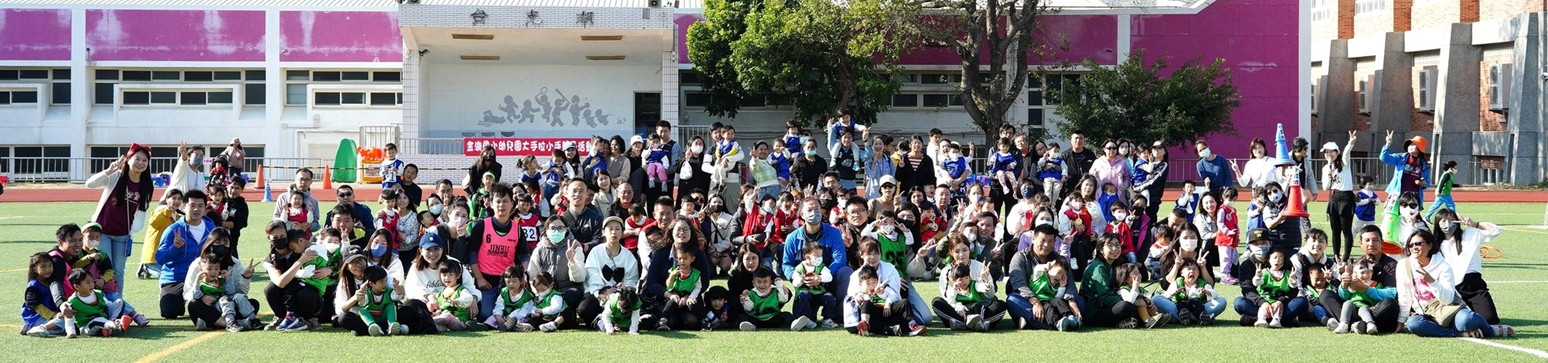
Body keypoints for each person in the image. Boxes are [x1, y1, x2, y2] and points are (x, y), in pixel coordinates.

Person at [1397, 230, 1514, 338]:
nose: (1414, 248)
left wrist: (1431, 281)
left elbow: (1447, 299)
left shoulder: (1443, 266)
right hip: (1427, 315)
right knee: (1413, 324)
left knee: (1467, 319)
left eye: (1418, 244)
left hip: (1450, 310)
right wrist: (1401, 321)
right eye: (1411, 245)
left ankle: (1489, 330)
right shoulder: (1404, 265)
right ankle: (1459, 334)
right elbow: (1404, 295)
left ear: (1430, 245)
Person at [87, 143, 155, 303]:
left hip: (123, 235)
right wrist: (108, 171)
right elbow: (90, 184)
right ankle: (100, 303)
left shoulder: (146, 184)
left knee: (118, 271)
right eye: (137, 159)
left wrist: (132, 231)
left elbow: (141, 211)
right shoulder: (116, 176)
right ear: (129, 159)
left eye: (144, 160)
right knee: (104, 269)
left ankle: (117, 303)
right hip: (102, 232)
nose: (140, 163)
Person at [1432, 210, 1503, 324]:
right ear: (1437, 224)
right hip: (1450, 288)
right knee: (1445, 320)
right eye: (1443, 220)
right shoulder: (1434, 244)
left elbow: (1496, 230)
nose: (1448, 223)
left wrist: (1475, 224)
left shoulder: (1470, 234)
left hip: (1473, 285)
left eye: (1451, 219)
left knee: (1490, 319)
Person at [155, 190, 215, 320]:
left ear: (205, 208)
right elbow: (160, 258)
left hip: (203, 277)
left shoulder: (211, 229)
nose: (196, 209)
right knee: (170, 312)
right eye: (192, 205)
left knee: (214, 305)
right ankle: (173, 296)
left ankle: (195, 299)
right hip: (176, 277)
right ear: (183, 207)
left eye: (200, 206)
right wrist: (174, 248)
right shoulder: (173, 229)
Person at [574, 217, 641, 326]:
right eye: (610, 229)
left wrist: (621, 291)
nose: (614, 232)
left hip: (620, 295)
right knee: (584, 310)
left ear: (622, 232)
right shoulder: (595, 251)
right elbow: (592, 275)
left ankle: (613, 321)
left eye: (617, 229)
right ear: (603, 232)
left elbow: (631, 280)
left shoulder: (629, 256)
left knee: (629, 304)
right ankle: (599, 320)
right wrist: (601, 293)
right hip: (598, 293)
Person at [782, 197, 852, 297]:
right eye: (809, 210)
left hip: (828, 279)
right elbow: (787, 264)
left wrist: (821, 277)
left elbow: (840, 260)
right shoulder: (792, 238)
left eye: (817, 209)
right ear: (802, 214)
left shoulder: (834, 233)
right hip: (804, 283)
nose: (814, 213)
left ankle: (839, 311)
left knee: (846, 271)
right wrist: (798, 277)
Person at [64, 269, 140, 338]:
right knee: (97, 320)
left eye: (92, 281)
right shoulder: (72, 301)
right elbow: (69, 318)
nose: (91, 284)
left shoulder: (98, 293)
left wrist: (114, 308)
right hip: (87, 327)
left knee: (119, 302)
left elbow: (108, 305)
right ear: (77, 286)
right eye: (87, 282)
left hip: (105, 319)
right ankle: (117, 325)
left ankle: (109, 326)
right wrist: (71, 332)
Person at [845, 266, 914, 336]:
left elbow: (894, 295)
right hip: (874, 317)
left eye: (874, 282)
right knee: (867, 305)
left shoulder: (882, 289)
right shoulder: (860, 294)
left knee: (904, 302)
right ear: (860, 284)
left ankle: (911, 325)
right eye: (868, 283)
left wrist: (886, 302)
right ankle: (865, 324)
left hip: (887, 312)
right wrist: (864, 296)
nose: (871, 286)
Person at [937, 263, 1007, 332]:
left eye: (966, 278)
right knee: (937, 302)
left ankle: (966, 324)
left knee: (1000, 304)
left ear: (970, 277)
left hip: (978, 311)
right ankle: (974, 323)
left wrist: (986, 284)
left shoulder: (974, 284)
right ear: (954, 280)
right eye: (960, 279)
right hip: (964, 313)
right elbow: (951, 301)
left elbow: (981, 287)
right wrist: (959, 306)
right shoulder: (953, 290)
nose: (964, 281)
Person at [1321, 132, 1358, 261]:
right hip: (1333, 198)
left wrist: (1351, 142)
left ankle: (1346, 256)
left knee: (1346, 230)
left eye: (1331, 152)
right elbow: (1325, 187)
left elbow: (1347, 153)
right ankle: (1336, 256)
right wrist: (1329, 174)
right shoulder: (1326, 168)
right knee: (1335, 231)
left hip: (1346, 198)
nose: (1329, 154)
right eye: (1326, 152)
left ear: (1337, 152)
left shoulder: (1343, 163)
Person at [1332, 260, 1392, 334]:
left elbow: (1378, 297)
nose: (1365, 275)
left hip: (1367, 308)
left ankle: (1370, 324)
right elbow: (1345, 296)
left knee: (1363, 308)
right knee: (1347, 303)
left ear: (1372, 272)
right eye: (1362, 272)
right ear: (1356, 274)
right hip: (1353, 308)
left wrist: (1376, 305)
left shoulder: (1376, 284)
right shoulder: (1352, 283)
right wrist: (1344, 285)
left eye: (1368, 272)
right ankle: (1343, 324)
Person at [790, 242, 838, 329]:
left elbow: (829, 277)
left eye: (821, 255)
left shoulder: (821, 267)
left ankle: (827, 319)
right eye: (817, 255)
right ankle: (807, 319)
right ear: (807, 257)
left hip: (818, 293)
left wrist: (819, 278)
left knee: (829, 297)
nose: (820, 258)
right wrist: (801, 280)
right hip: (806, 294)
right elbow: (795, 282)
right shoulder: (799, 268)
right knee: (804, 295)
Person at [739, 268, 803, 331]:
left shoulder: (775, 291)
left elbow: (784, 299)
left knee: (786, 315)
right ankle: (749, 326)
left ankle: (794, 324)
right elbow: (749, 308)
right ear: (753, 283)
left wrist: (780, 286)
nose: (762, 285)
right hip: (757, 320)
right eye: (759, 282)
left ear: (770, 282)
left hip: (774, 318)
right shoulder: (751, 293)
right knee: (742, 316)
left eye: (765, 281)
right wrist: (746, 299)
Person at [1252, 248, 1298, 329]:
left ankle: (1276, 320)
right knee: (1261, 308)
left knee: (1299, 302)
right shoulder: (1264, 272)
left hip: (1279, 301)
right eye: (1275, 257)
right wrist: (1258, 276)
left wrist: (1293, 279)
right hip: (1265, 299)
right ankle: (1261, 319)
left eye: (1281, 258)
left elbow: (1293, 286)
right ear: (1269, 259)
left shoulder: (1287, 274)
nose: (1278, 260)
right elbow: (1257, 283)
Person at [1162, 259, 1217, 326]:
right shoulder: (1177, 283)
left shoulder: (1202, 283)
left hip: (1197, 304)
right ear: (1181, 273)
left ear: (1199, 273)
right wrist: (1174, 292)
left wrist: (1207, 292)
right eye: (1188, 269)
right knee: (1157, 299)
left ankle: (1201, 316)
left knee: (1221, 301)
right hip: (1180, 305)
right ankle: (1188, 317)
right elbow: (1166, 296)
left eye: (1194, 269)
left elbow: (1215, 294)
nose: (1192, 271)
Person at [429, 259, 477, 332]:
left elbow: (468, 298)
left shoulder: (461, 290)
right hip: (446, 323)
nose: (447, 278)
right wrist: (436, 313)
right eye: (444, 275)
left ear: (458, 276)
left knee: (448, 316)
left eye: (451, 274)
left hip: (460, 322)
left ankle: (429, 322)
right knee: (438, 325)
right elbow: (440, 309)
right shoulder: (440, 294)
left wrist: (458, 301)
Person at [484, 266, 536, 332]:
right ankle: (485, 326)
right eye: (508, 282)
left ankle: (510, 326)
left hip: (518, 317)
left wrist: (511, 316)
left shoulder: (527, 296)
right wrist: (498, 315)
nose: (511, 284)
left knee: (524, 321)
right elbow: (499, 305)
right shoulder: (504, 292)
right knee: (492, 318)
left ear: (521, 281)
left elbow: (525, 311)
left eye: (514, 281)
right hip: (504, 317)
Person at [1061, 131, 1098, 199]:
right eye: (1076, 138)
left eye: (1081, 138)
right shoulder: (1065, 156)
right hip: (1069, 190)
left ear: (1084, 141)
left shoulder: (1090, 155)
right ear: (1071, 140)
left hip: (1087, 190)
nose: (1078, 140)